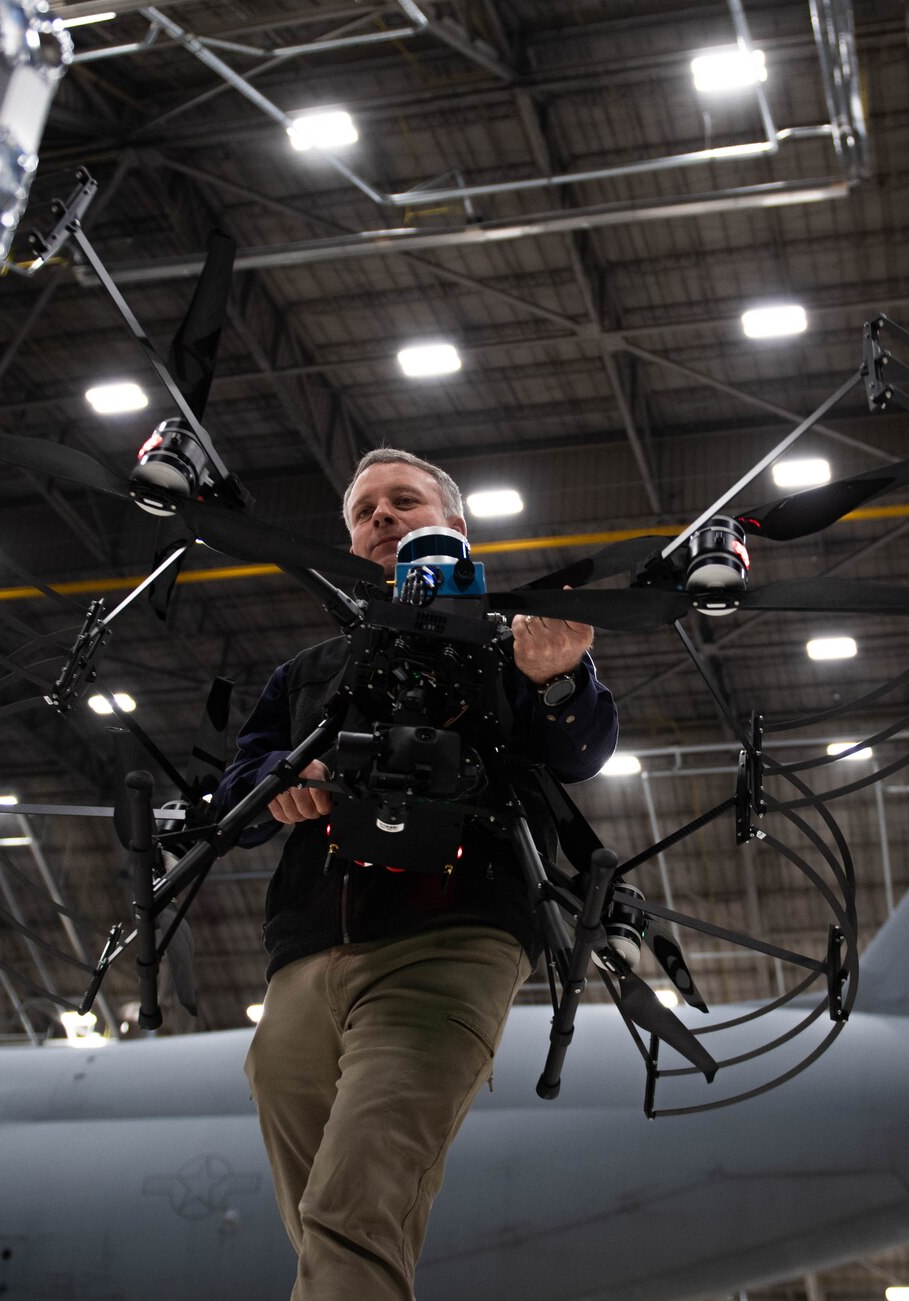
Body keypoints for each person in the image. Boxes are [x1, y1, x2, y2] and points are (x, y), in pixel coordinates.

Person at [212, 446, 617, 1301]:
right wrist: (281, 784)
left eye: (403, 502)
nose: (381, 519)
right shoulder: (309, 673)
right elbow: (235, 795)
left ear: (456, 528)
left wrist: (557, 679)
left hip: (449, 940)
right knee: (326, 1208)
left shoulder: (514, 642)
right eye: (365, 513)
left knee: (353, 1199)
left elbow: (580, 751)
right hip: (309, 950)